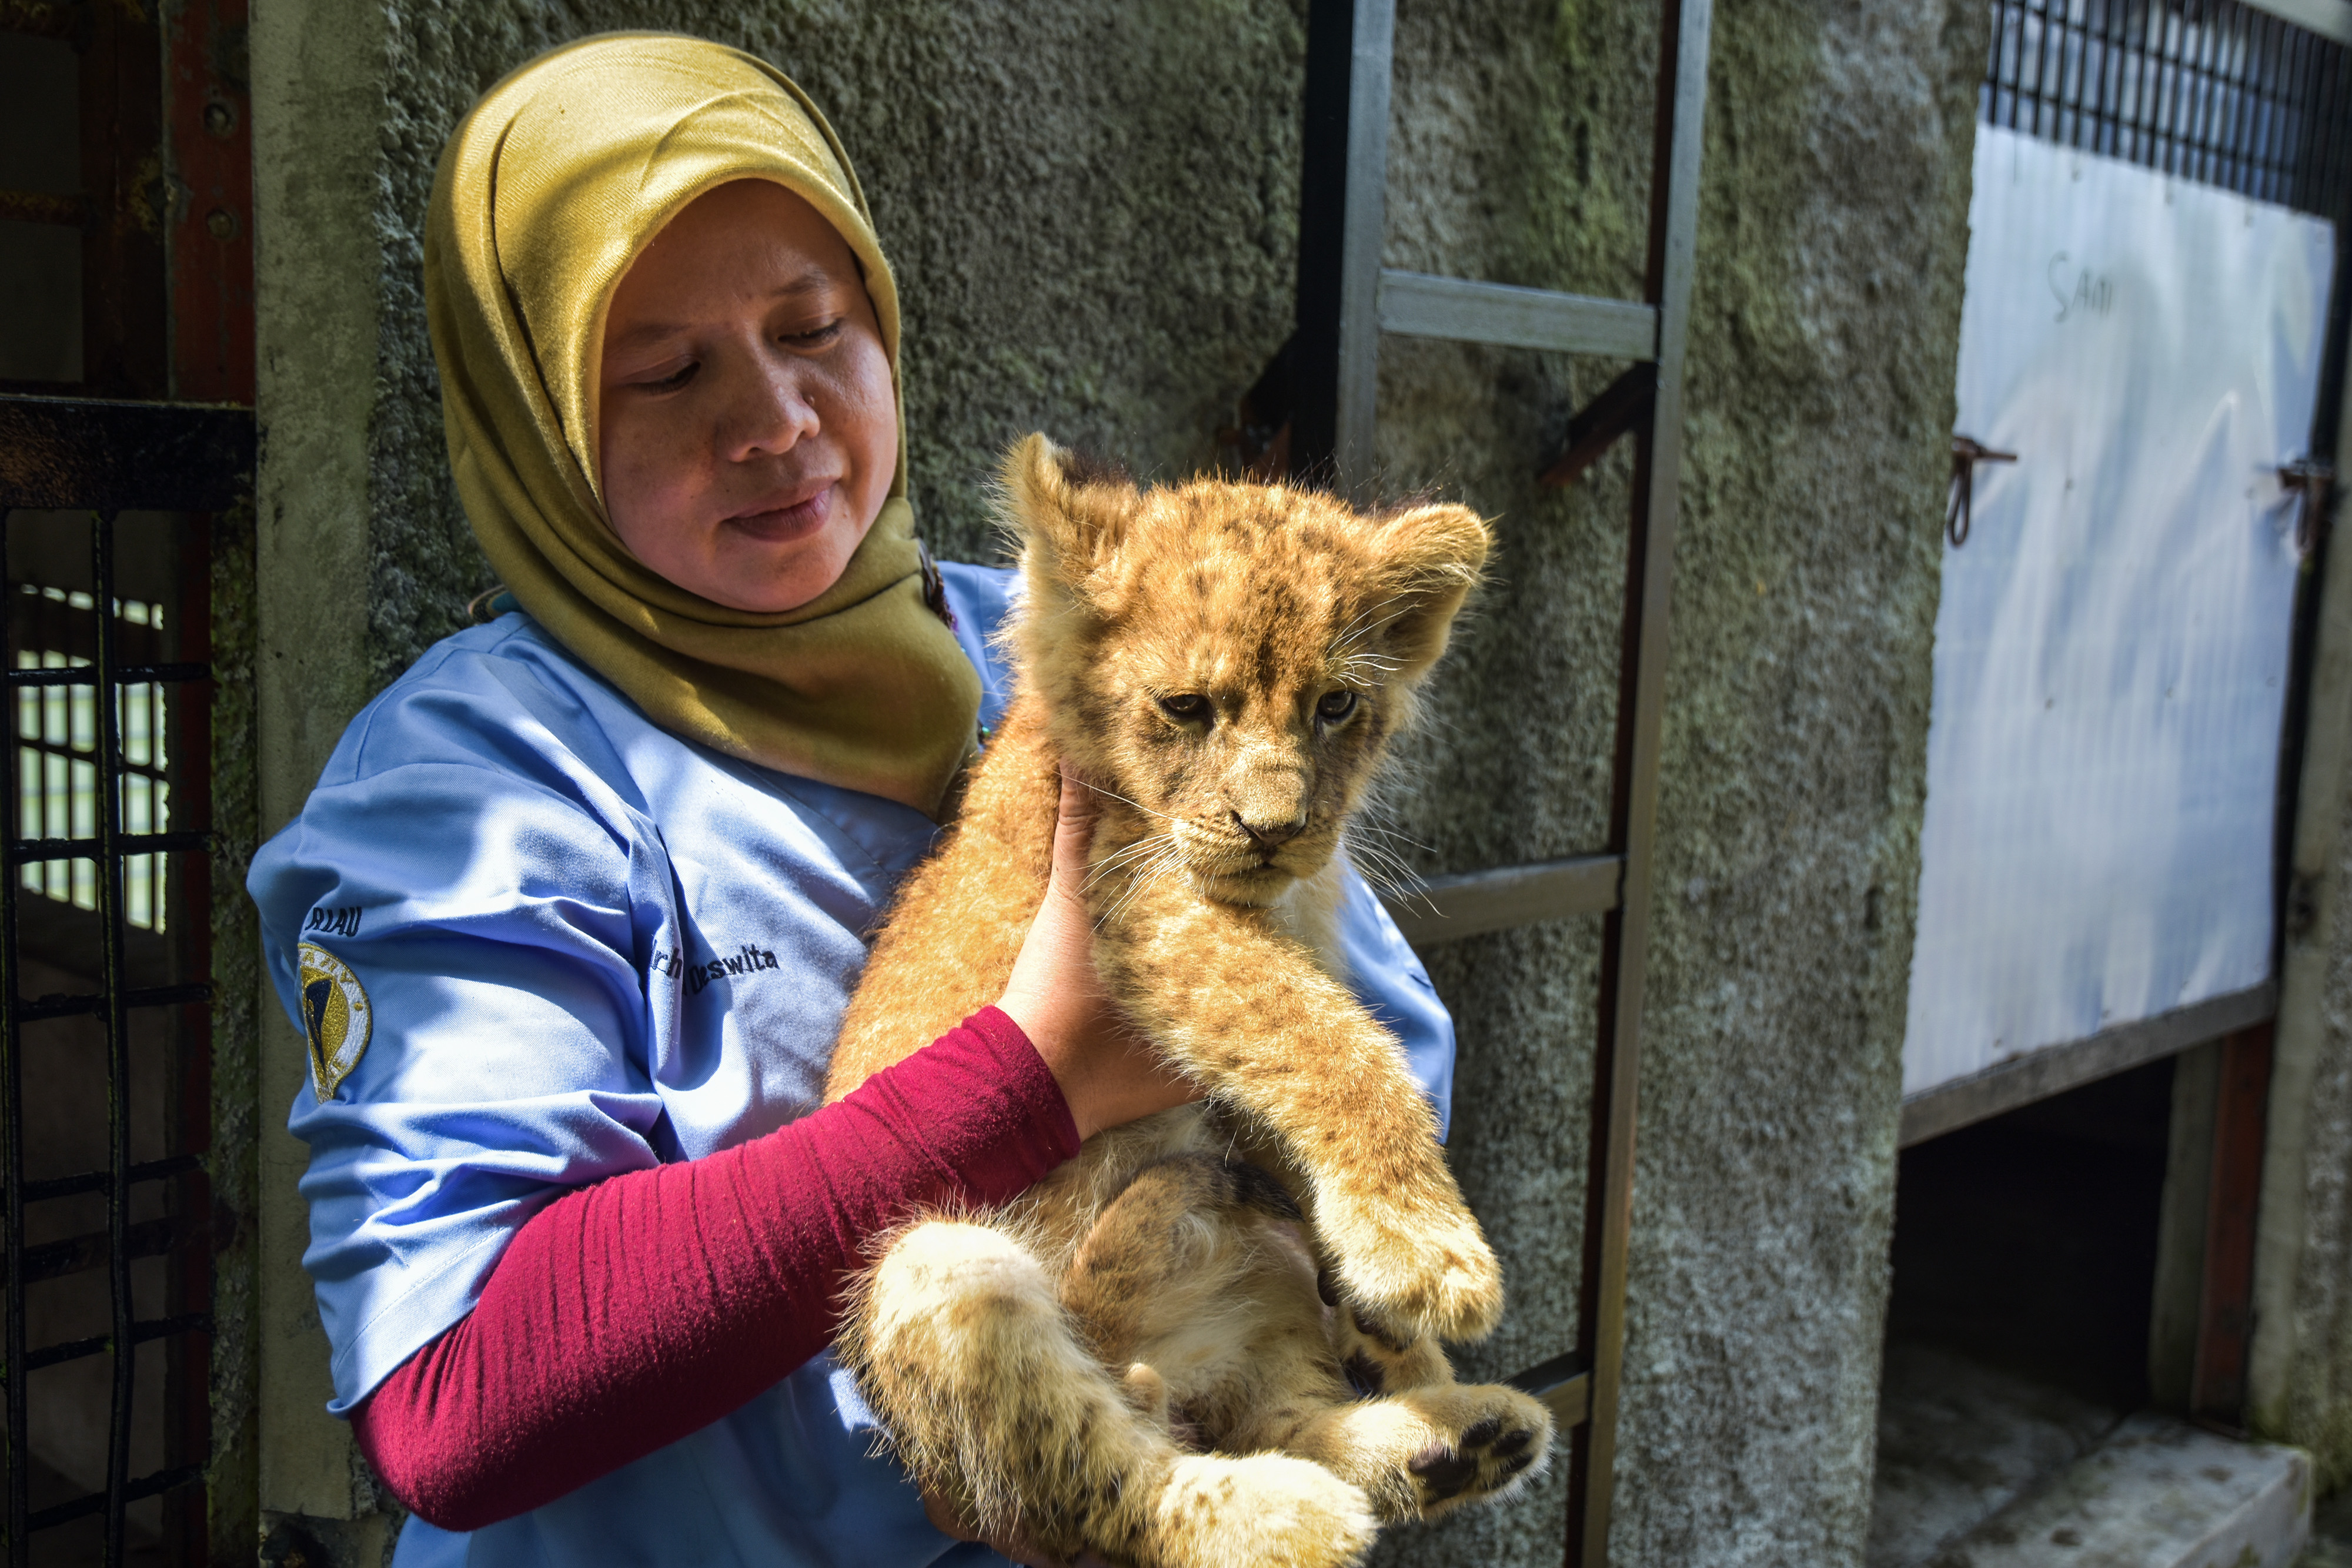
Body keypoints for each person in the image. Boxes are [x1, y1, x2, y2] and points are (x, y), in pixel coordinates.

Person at [249, 32, 1458, 1568]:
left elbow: (1380, 1056)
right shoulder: (467, 787)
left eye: (814, 328)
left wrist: (1218, 1309)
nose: (775, 419)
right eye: (665, 371)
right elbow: (454, 1397)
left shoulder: (1086, 642)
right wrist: (1038, 1076)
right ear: (538, 422)